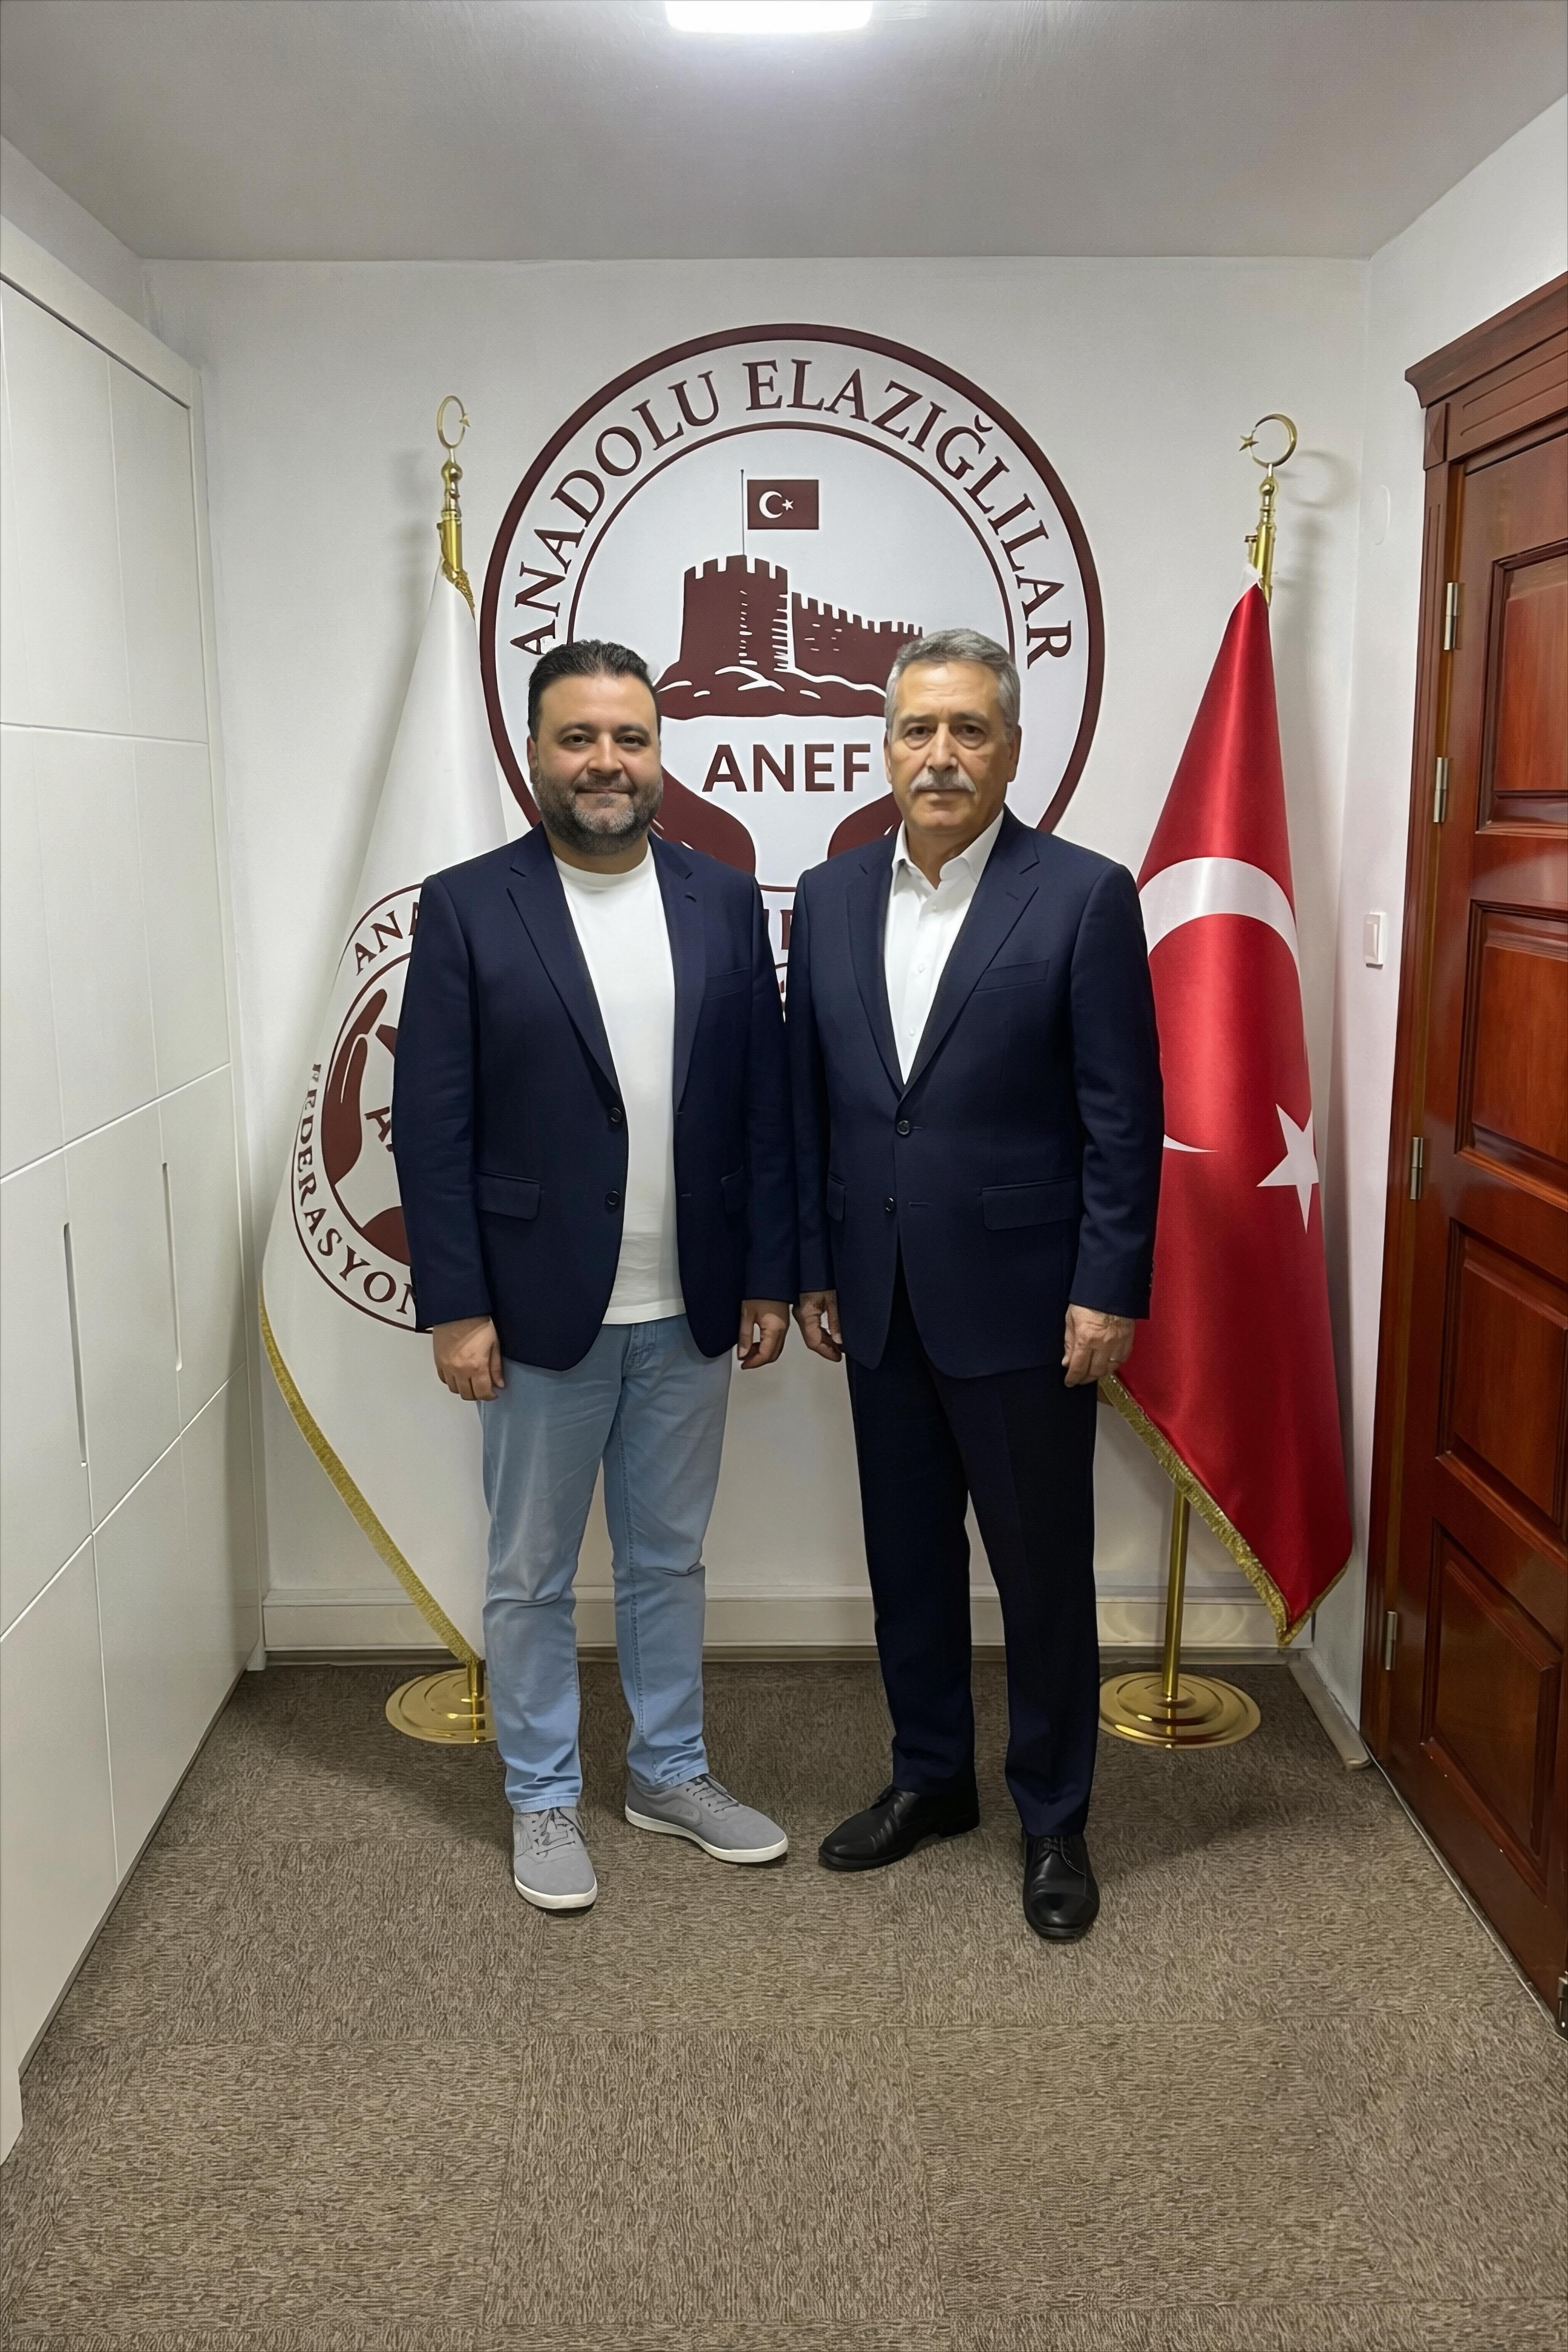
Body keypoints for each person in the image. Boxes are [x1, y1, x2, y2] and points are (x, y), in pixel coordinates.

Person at [393, 639, 795, 1912]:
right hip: (533, 1310)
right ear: (534, 752)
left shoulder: (723, 898)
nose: (606, 762)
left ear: (660, 753)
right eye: (579, 738)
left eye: (630, 738)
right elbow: (432, 1126)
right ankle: (543, 1794)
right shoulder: (469, 906)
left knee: (668, 1559)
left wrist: (768, 1274)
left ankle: (669, 1772)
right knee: (531, 1572)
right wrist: (458, 1305)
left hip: (692, 1303)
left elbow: (763, 1104)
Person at [786, 628, 1162, 1939]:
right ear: (885, 748)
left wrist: (1108, 1287)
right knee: (907, 1559)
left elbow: (1123, 1117)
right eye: (917, 730)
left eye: (969, 730)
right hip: (876, 1295)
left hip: (1028, 1303)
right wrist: (814, 1262)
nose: (940, 755)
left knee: (1041, 1571)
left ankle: (1054, 1816)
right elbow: (813, 1103)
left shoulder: (1084, 896)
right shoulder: (828, 895)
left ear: (1011, 750)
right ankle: (932, 1779)